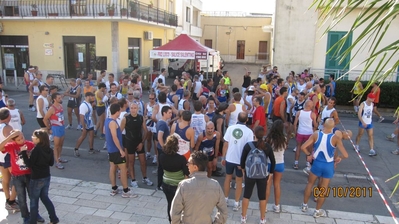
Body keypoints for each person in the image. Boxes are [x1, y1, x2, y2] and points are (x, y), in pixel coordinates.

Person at [301, 118, 349, 218]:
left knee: (310, 184)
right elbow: (345, 155)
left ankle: (304, 205)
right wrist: (339, 158)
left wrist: (309, 154)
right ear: (333, 127)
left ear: (324, 125)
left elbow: (303, 147)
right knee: (323, 189)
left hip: (317, 163)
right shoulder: (335, 138)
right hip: (328, 165)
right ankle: (317, 211)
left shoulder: (316, 134)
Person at [0, 130, 45, 224]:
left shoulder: (30, 144)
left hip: (29, 174)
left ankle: (35, 214)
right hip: (17, 176)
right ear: (13, 140)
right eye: (18, 139)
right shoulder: (11, 146)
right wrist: (9, 137)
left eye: (22, 137)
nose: (21, 140)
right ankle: (25, 216)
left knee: (33, 196)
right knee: (21, 198)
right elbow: (1, 147)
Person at [170, 151, 228, 224]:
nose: (187, 165)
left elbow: (175, 211)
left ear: (195, 167)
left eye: (189, 163)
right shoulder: (215, 185)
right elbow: (224, 211)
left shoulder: (184, 185)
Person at [20, 129, 59, 224]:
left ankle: (32, 221)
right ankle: (54, 219)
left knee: (33, 201)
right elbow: (51, 163)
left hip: (36, 178)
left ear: (38, 139)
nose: (32, 138)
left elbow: (29, 164)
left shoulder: (36, 150)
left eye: (34, 137)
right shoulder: (49, 149)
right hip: (46, 176)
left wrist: (24, 153)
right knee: (45, 198)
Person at [240, 126, 275, 224]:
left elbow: (242, 160)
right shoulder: (267, 146)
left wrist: (243, 171)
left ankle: (243, 216)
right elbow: (273, 161)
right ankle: (262, 218)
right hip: (262, 175)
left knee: (246, 195)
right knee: (262, 196)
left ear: (254, 134)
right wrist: (270, 174)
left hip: (250, 174)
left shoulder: (248, 146)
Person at [222, 112, 253, 211]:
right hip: (241, 160)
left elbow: (226, 144)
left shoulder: (230, 128)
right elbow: (249, 148)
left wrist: (223, 157)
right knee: (239, 181)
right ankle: (236, 203)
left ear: (237, 119)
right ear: (247, 120)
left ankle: (225, 199)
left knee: (228, 178)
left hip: (230, 157)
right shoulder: (249, 132)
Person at [105, 103, 137, 198]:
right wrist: (120, 150)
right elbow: (115, 137)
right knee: (123, 169)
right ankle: (126, 191)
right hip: (116, 150)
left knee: (112, 167)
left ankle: (114, 188)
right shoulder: (113, 123)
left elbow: (104, 131)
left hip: (110, 149)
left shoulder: (107, 120)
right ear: (118, 111)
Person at [120, 103, 153, 188]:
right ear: (129, 109)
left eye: (135, 108)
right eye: (131, 108)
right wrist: (121, 145)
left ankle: (145, 177)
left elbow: (145, 131)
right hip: (129, 143)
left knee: (143, 161)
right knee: (131, 162)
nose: (133, 109)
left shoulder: (140, 118)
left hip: (139, 142)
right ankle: (133, 180)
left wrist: (142, 143)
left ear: (137, 109)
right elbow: (119, 131)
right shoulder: (125, 119)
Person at [159, 135, 190, 223]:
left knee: (170, 204)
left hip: (166, 183)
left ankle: (171, 221)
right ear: (177, 146)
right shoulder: (181, 159)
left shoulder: (162, 156)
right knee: (180, 206)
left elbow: (160, 169)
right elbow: (187, 173)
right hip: (178, 185)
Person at [265, 120, 287, 213]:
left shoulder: (268, 139)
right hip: (280, 163)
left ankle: (264, 205)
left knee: (267, 185)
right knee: (277, 185)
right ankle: (277, 205)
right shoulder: (284, 139)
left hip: (269, 163)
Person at [0, 108, 19, 211]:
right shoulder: (7, 128)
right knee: (17, 178)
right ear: (8, 117)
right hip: (7, 154)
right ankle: (11, 201)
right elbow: (12, 141)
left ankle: (8, 199)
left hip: (0, 156)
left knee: (5, 179)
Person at [43, 93, 67, 169]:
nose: (61, 99)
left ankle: (59, 158)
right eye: (59, 98)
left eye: (61, 98)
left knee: (61, 144)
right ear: (54, 99)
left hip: (62, 127)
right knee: (56, 146)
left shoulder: (60, 106)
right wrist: (49, 128)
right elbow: (45, 119)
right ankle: (57, 162)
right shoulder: (52, 109)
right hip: (56, 128)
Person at [293, 100, 317, 170]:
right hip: (309, 133)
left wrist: (295, 132)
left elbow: (295, 124)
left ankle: (296, 163)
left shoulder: (299, 112)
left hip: (300, 132)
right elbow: (315, 125)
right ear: (310, 106)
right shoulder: (312, 114)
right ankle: (308, 163)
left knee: (298, 147)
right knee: (309, 148)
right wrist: (314, 131)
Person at [156, 106, 173, 191]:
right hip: (162, 149)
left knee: (161, 167)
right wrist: (164, 147)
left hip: (161, 148)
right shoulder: (162, 124)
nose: (171, 114)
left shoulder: (161, 122)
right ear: (164, 113)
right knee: (162, 167)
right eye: (169, 113)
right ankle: (161, 185)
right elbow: (159, 137)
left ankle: (160, 184)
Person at [74, 92, 96, 156]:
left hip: (89, 123)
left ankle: (91, 149)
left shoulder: (89, 103)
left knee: (91, 135)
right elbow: (81, 116)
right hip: (85, 123)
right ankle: (76, 149)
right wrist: (83, 127)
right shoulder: (83, 105)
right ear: (87, 97)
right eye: (92, 97)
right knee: (83, 136)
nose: (93, 98)